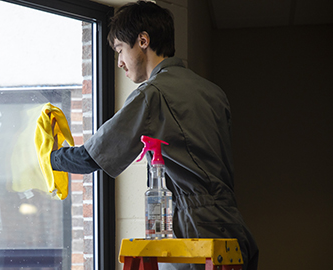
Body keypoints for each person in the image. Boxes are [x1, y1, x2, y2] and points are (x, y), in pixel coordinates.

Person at [50, 1, 259, 269]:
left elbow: (92, 157)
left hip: (197, 233)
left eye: (120, 50)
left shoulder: (152, 95)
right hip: (234, 229)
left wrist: (52, 158)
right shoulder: (213, 93)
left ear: (143, 41)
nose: (120, 62)